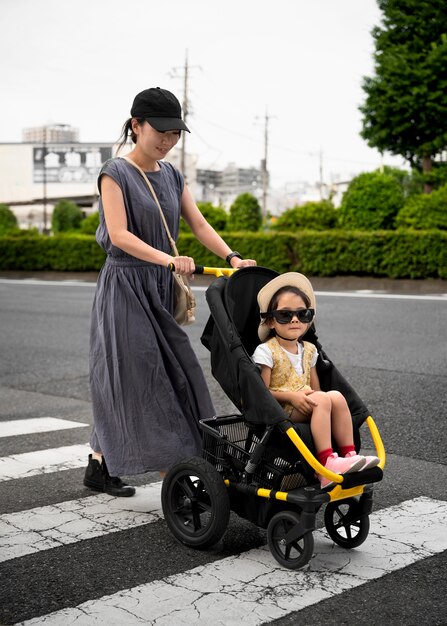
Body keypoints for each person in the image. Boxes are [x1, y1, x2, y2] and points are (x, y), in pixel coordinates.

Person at [84, 87, 256, 497]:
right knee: (143, 376)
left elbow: (198, 224)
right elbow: (121, 235)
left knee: (167, 372)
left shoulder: (173, 175)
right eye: (159, 131)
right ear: (135, 126)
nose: (167, 140)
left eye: (175, 133)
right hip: (125, 286)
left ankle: (99, 462)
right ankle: (175, 472)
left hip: (158, 287)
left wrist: (233, 257)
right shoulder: (115, 173)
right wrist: (166, 260)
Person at [252, 272, 379, 489]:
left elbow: (316, 387)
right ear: (271, 321)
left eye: (302, 314)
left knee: (336, 396)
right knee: (323, 399)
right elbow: (262, 393)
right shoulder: (266, 351)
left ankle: (348, 455)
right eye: (285, 315)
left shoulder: (309, 350)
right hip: (282, 409)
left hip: (309, 403)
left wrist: (317, 398)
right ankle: (326, 463)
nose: (294, 320)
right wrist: (293, 396)